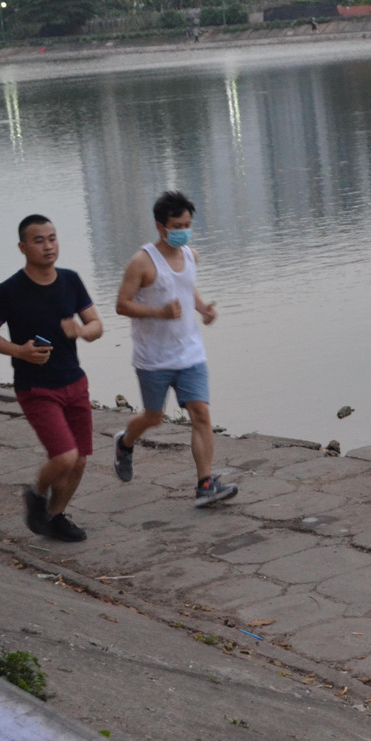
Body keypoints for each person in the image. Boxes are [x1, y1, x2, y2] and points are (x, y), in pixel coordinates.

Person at [0, 215, 103, 542]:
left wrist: (81, 330)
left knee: (79, 462)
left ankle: (55, 517)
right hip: (36, 388)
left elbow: (96, 325)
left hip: (74, 381)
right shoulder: (9, 291)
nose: (48, 246)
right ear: (23, 247)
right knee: (64, 456)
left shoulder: (71, 281)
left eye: (52, 238)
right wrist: (19, 351)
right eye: (39, 240)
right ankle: (36, 494)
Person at [113, 190, 236, 507]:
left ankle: (205, 484)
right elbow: (121, 305)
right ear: (160, 226)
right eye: (177, 225)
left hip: (190, 354)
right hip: (153, 358)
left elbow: (186, 287)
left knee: (201, 415)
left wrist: (202, 309)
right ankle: (125, 443)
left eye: (187, 223)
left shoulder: (191, 256)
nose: (183, 229)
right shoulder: (142, 262)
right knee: (154, 418)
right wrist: (159, 313)